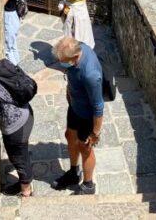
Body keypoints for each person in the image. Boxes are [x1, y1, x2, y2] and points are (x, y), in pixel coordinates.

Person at [51, 37, 104, 196]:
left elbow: (98, 106)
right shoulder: (80, 46)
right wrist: (69, 91)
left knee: (85, 146)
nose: (61, 64)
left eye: (63, 61)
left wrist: (95, 133)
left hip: (87, 115)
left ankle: (88, 185)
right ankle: (74, 173)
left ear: (74, 58)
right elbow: (72, 74)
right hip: (75, 106)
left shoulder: (91, 75)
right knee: (69, 136)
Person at [0, 63, 34, 198]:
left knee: (19, 159)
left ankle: (26, 191)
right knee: (22, 152)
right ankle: (24, 183)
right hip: (27, 113)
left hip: (15, 126)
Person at [2, 0, 21, 65]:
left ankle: (13, 69)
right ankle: (17, 67)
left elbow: (1, 3)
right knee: (13, 45)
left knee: (8, 47)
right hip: (12, 16)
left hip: (9, 18)